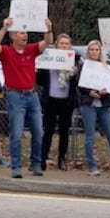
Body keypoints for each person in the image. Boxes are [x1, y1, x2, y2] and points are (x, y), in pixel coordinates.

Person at [0, 16, 53, 179]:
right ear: (13, 37)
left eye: (25, 32)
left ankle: (36, 163)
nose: (25, 35)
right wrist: (4, 28)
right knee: (16, 133)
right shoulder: (6, 52)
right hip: (15, 96)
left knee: (38, 131)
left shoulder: (31, 49)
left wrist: (48, 29)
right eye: (20, 32)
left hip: (32, 95)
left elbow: (47, 42)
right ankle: (16, 166)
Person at [77, 40, 110, 176]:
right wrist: (90, 92)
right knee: (90, 136)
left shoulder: (108, 67)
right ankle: (92, 166)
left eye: (96, 49)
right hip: (89, 105)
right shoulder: (84, 66)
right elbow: (80, 85)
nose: (94, 52)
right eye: (92, 50)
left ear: (100, 51)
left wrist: (106, 91)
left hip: (104, 106)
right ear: (88, 51)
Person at [37, 33, 79, 171]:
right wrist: (38, 71)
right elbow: (40, 81)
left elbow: (81, 81)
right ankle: (42, 158)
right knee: (48, 130)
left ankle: (61, 158)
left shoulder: (74, 60)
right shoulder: (48, 58)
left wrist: (75, 73)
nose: (64, 46)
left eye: (66, 43)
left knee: (64, 132)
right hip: (50, 100)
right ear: (56, 45)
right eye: (61, 43)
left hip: (66, 101)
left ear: (70, 46)